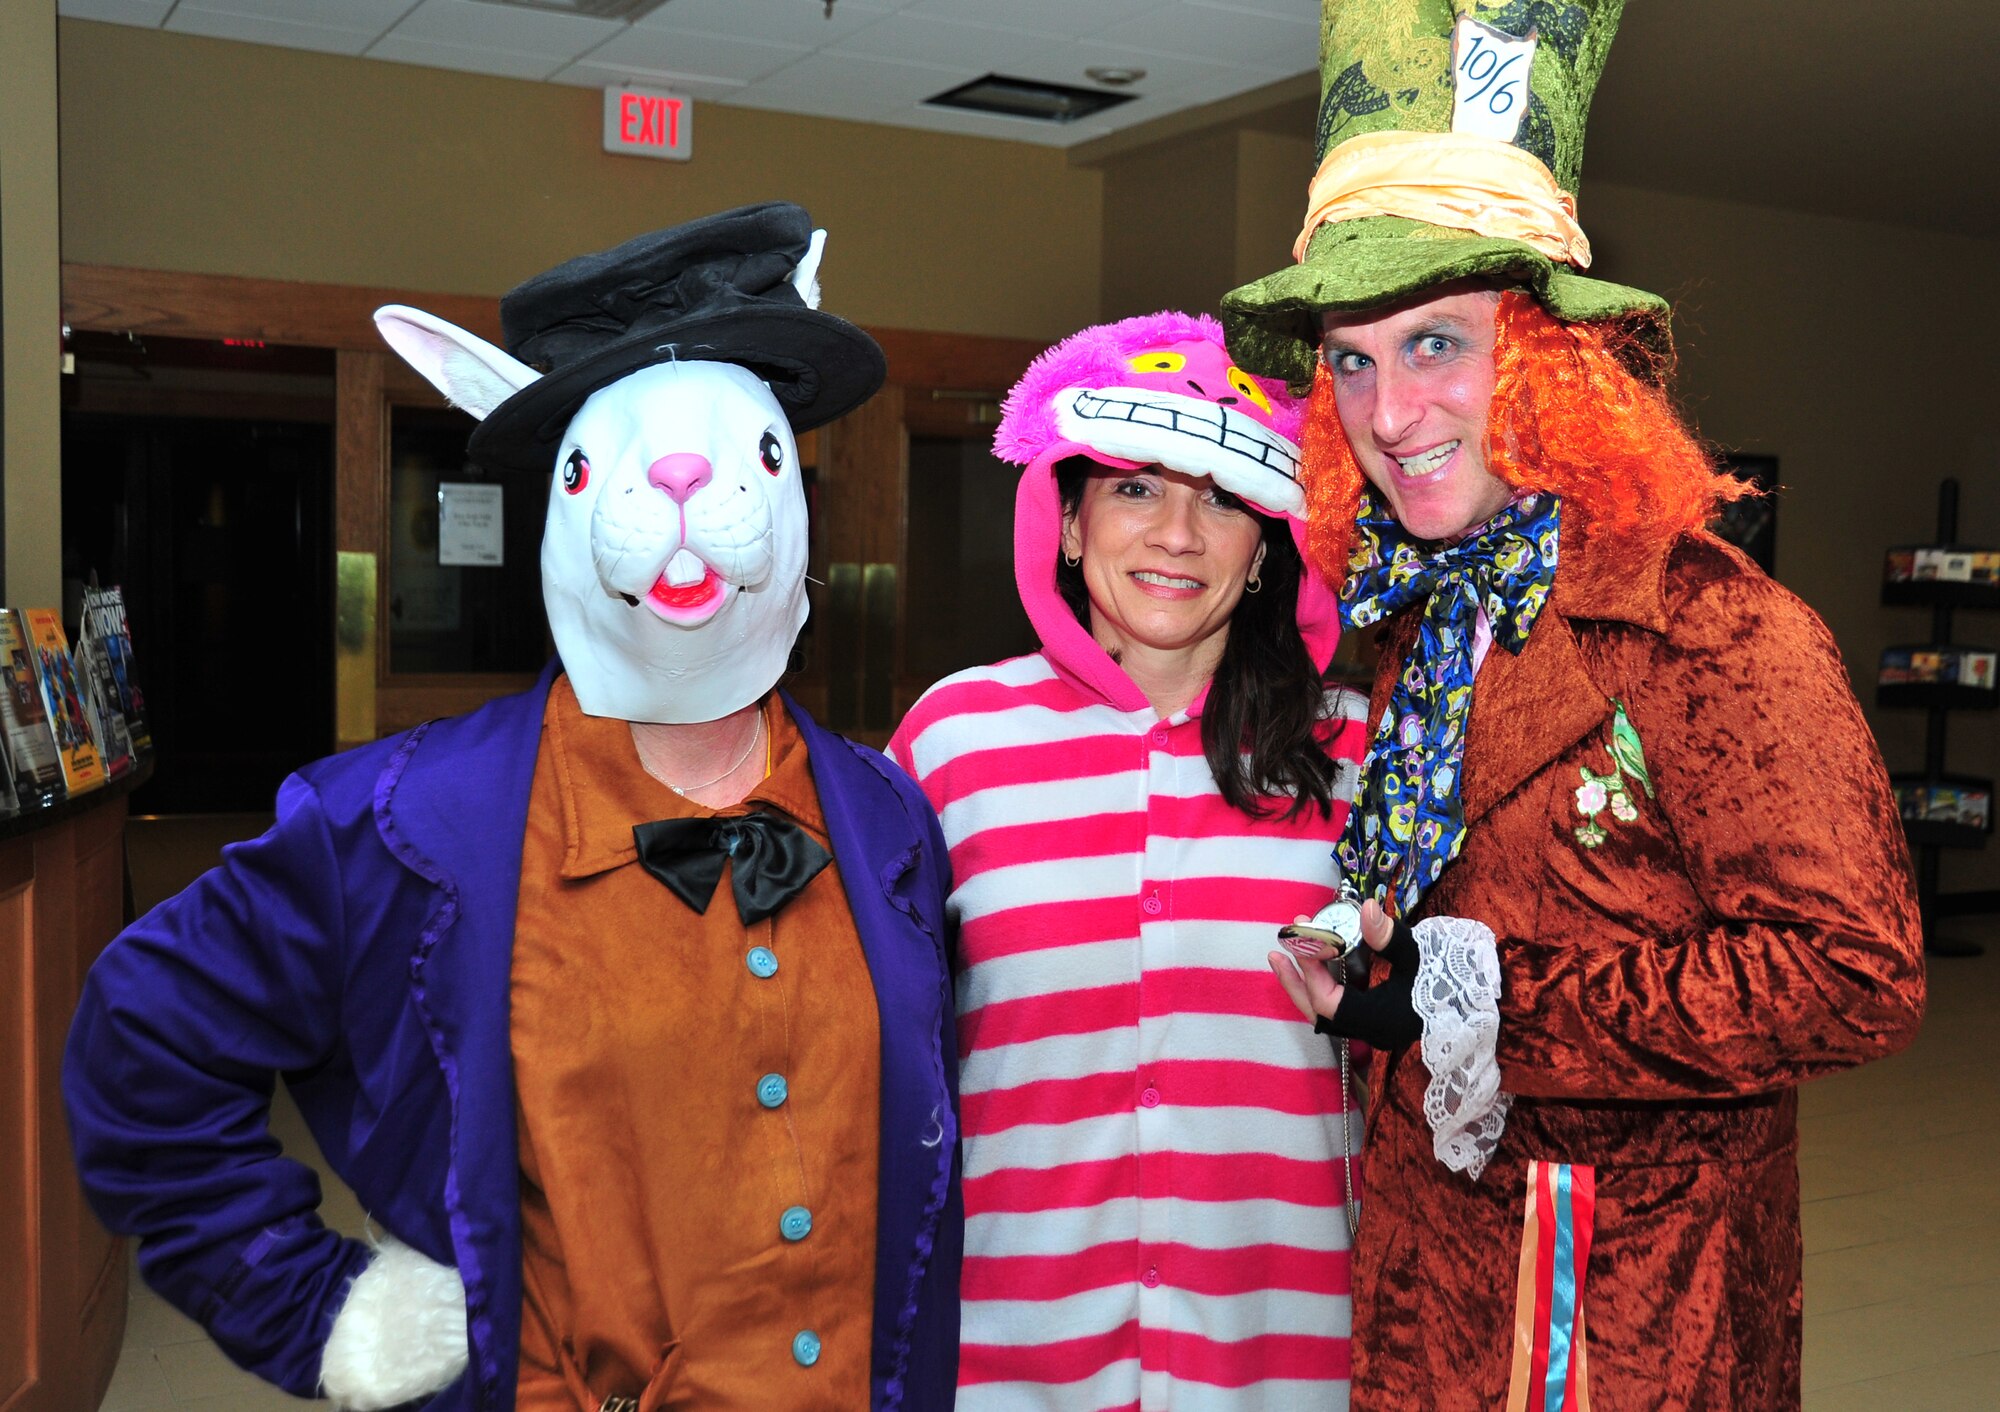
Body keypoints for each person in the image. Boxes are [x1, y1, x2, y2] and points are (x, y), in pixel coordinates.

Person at [63, 205, 961, 1412]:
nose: (684, 487)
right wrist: (319, 1306)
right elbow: (145, 1040)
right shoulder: (396, 823)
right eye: (612, 463)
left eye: (742, 456)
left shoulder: (889, 818)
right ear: (564, 508)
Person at [1222, 5, 1926, 1409]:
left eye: (1436, 345)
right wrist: (1384, 967)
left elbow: (1856, 976)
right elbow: (1484, 894)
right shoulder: (1412, 623)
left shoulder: (1718, 629)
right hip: (1431, 1267)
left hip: (1629, 1309)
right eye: (1351, 361)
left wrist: (1488, 1007)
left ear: (1543, 360)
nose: (1389, 409)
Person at [889, 311, 1369, 1409]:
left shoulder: (1351, 749)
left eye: (1221, 499)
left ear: (1265, 551)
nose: (1177, 536)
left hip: (1278, 1342)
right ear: (1065, 520)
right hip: (1008, 1342)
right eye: (1136, 488)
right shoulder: (951, 739)